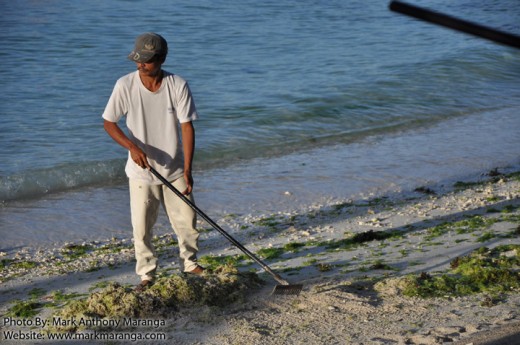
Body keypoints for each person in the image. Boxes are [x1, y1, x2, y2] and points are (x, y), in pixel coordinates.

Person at [102, 32, 204, 292]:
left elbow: (187, 127)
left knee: (187, 221)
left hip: (175, 168)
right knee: (142, 227)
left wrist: (188, 170)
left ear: (162, 58)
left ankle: (190, 264)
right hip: (141, 171)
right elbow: (109, 122)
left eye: (147, 60)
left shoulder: (177, 84)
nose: (141, 64)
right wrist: (132, 148)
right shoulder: (125, 85)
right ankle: (147, 274)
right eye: (138, 59)